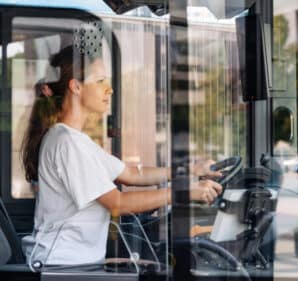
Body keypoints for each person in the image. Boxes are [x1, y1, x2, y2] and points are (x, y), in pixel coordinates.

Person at [20, 45, 222, 265]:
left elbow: (131, 174)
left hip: (75, 262)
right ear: (76, 87)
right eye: (100, 81)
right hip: (62, 265)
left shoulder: (76, 140)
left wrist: (191, 169)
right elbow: (117, 203)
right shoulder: (68, 143)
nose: (110, 89)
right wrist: (183, 192)